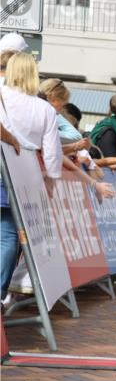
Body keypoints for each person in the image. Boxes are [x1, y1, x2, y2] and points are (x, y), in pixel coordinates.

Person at [1, 53, 63, 299]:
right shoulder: (44, 109)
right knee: (8, 236)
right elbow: (52, 153)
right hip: (23, 176)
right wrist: (50, 181)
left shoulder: (3, 96)